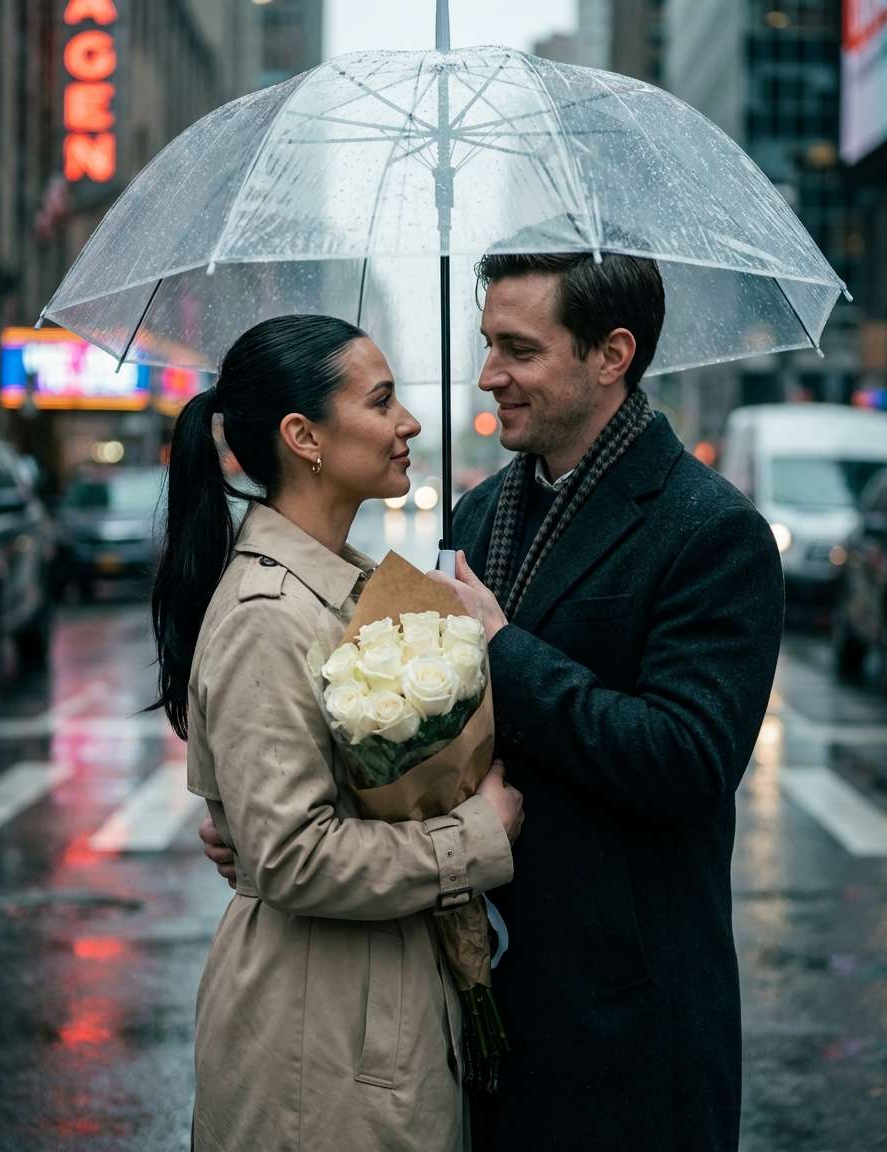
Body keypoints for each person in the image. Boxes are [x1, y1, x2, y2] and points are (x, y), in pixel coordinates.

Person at [202, 255, 785, 1151]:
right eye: (486, 345)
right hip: (463, 1015)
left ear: (611, 355)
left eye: (520, 350)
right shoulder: (476, 519)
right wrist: (278, 812)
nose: (487, 376)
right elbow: (420, 742)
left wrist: (503, 647)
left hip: (621, 1034)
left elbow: (686, 762)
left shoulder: (711, 532)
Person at [155, 314, 522, 1152]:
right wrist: (477, 835)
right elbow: (292, 856)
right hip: (314, 1038)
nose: (409, 423)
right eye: (382, 401)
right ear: (304, 437)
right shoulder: (266, 614)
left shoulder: (348, 589)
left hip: (370, 1004)